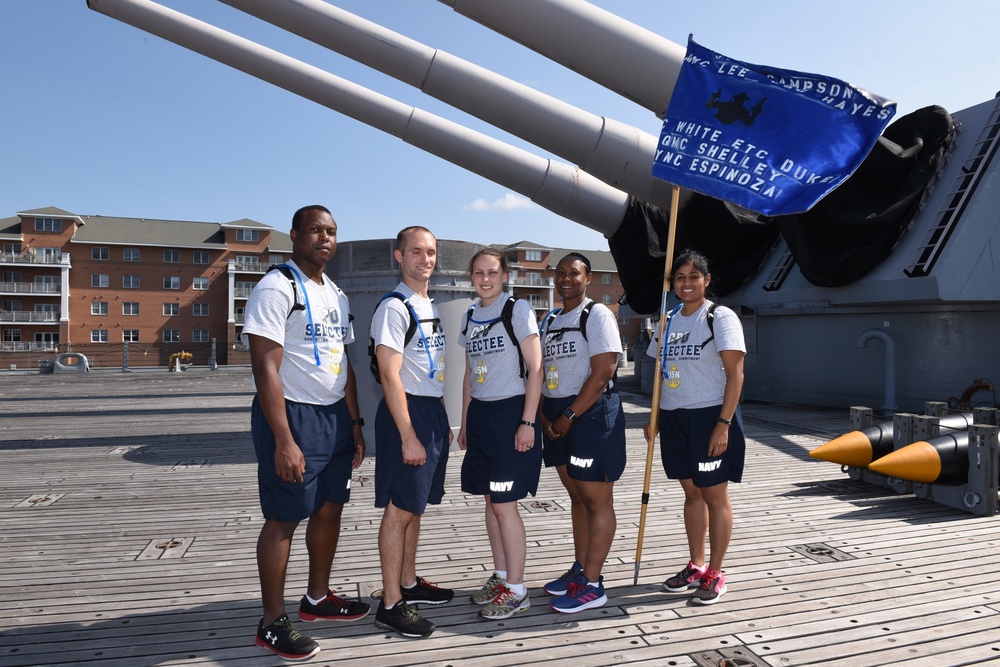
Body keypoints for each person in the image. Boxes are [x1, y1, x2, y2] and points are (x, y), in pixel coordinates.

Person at [242, 204, 369, 661]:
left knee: (330, 507)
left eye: (332, 231)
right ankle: (271, 622)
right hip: (293, 417)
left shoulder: (335, 293)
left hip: (334, 417)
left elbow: (346, 364)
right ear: (295, 235)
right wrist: (284, 439)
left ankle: (317, 598)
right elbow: (264, 366)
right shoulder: (276, 287)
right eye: (316, 230)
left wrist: (354, 425)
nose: (325, 238)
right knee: (283, 517)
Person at [644, 249, 746, 605]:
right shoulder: (667, 320)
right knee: (691, 494)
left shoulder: (720, 316)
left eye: (693, 277)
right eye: (680, 278)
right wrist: (654, 414)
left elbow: (736, 373)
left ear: (707, 280)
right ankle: (697, 565)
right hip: (674, 417)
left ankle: (716, 572)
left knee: (714, 496)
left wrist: (723, 424)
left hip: (709, 416)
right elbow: (659, 373)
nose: (686, 284)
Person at [370, 226, 454, 638]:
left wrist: (439, 415)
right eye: (416, 252)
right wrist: (408, 434)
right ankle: (390, 603)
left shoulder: (426, 303)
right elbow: (389, 374)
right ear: (399, 257)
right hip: (407, 415)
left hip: (429, 410)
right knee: (399, 508)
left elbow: (426, 366)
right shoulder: (395, 307)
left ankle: (407, 581)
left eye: (432, 252)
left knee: (415, 505)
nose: (426, 259)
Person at [457, 248, 543, 620]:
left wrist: (527, 422)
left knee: (506, 505)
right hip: (481, 416)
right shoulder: (470, 316)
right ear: (471, 277)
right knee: (491, 502)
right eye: (478, 273)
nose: (485, 279)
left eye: (492, 272)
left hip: (511, 414)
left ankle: (519, 589)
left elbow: (537, 370)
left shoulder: (517, 310)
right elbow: (468, 373)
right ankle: (502, 575)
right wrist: (464, 421)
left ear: (505, 275)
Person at [538, 252, 626, 614]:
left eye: (573, 273)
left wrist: (571, 414)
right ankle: (580, 568)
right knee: (576, 496)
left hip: (588, 414)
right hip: (556, 415)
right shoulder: (551, 318)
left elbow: (604, 370)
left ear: (588, 278)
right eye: (560, 273)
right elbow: (543, 368)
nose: (565, 279)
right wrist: (546, 415)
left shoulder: (597, 314)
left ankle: (593, 583)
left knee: (596, 499)